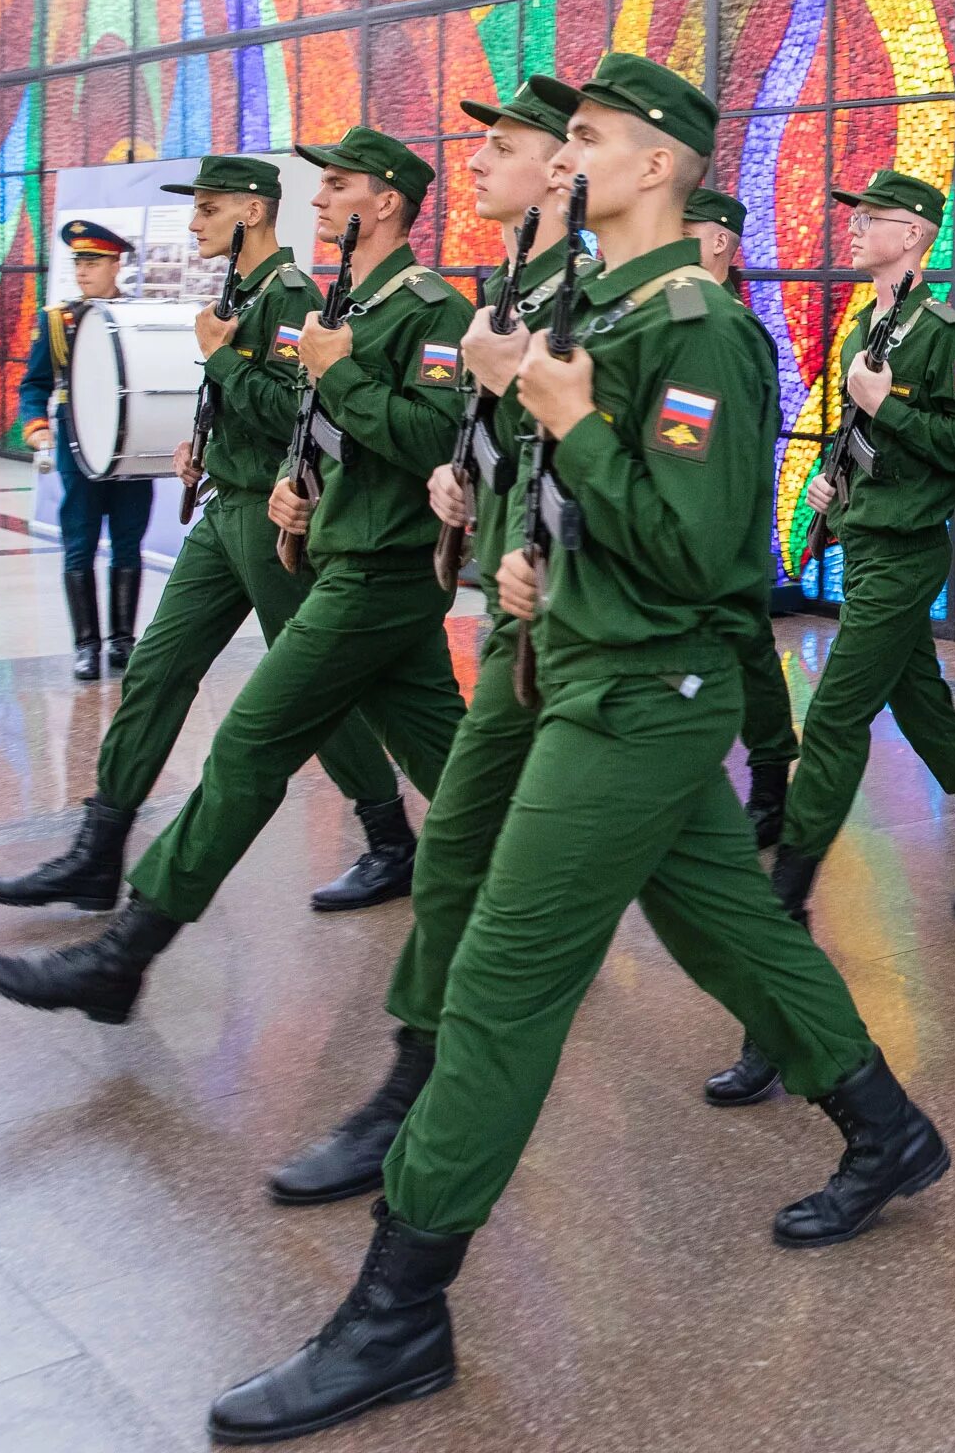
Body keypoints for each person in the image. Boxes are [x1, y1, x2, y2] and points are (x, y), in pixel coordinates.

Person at [208, 59, 946, 1446]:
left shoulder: (701, 329)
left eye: (588, 142)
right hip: (574, 665)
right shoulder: (600, 305)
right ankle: (885, 1125)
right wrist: (517, 528)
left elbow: (692, 546)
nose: (562, 161)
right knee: (736, 933)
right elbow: (588, 497)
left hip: (641, 692)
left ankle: (397, 1313)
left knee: (504, 978)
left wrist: (560, 419)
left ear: (657, 164)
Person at [0, 126, 474, 1023]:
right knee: (180, 676)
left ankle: (138, 945)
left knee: (273, 729)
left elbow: (383, 422)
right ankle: (105, 847)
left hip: (352, 552)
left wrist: (237, 377)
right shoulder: (328, 296)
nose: (318, 199)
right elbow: (317, 423)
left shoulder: (361, 302)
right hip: (279, 519)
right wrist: (276, 468)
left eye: (338, 186)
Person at [258, 76, 588, 1205]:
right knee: (462, 858)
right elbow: (485, 444)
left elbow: (675, 511)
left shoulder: (633, 307)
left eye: (513, 143)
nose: (483, 160)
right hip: (514, 615)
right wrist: (471, 471)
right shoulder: (513, 290)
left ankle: (417, 1209)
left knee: (701, 899)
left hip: (606, 648)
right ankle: (872, 1110)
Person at [767, 168, 955, 920]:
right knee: (925, 712)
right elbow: (859, 434)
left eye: (872, 217)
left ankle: (787, 895)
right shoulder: (868, 326)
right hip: (866, 544)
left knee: (832, 718)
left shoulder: (946, 334)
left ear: (915, 234)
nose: (855, 227)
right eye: (855, 216)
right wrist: (832, 483)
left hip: (904, 554)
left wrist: (886, 404)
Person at [682, 184, 804, 846]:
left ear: (721, 244)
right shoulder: (683, 315)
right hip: (698, 506)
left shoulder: (730, 324)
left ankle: (769, 780)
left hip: (730, 511)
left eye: (689, 231)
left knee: (750, 648)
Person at [22, 218, 152, 680]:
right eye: (78, 262)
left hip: (129, 448)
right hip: (77, 448)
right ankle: (85, 645)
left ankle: (121, 641)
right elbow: (33, 385)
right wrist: (36, 426)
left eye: (93, 262)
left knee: (127, 544)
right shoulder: (58, 322)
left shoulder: (137, 318)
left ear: (116, 264)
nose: (83, 271)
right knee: (78, 545)